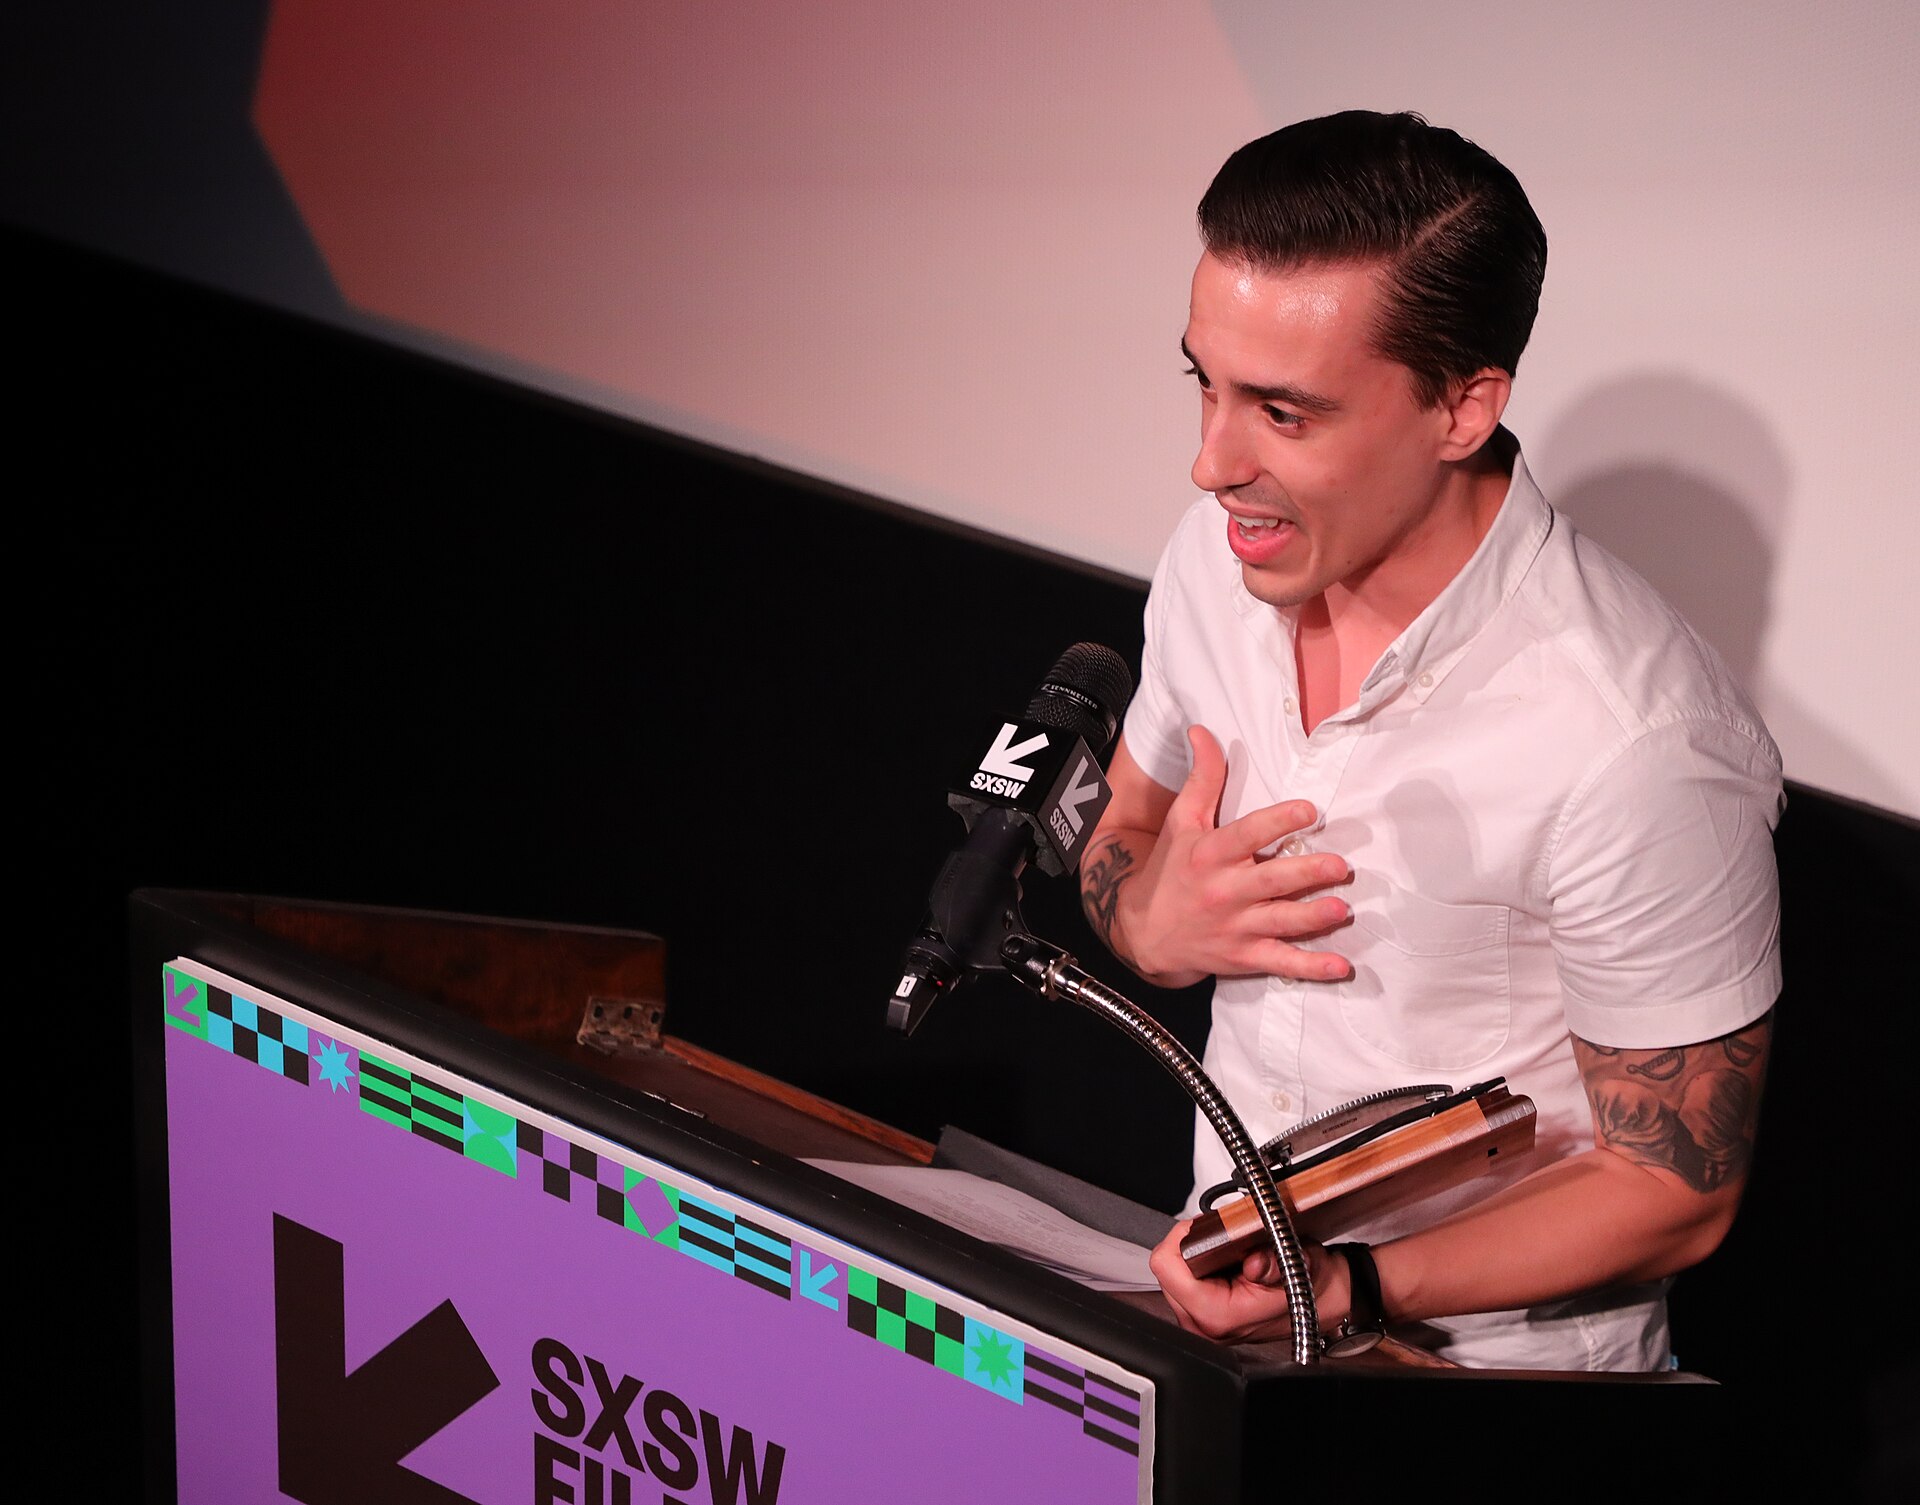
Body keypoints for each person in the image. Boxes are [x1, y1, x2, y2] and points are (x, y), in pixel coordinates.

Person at [1078, 110, 1782, 1371]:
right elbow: (1127, 830)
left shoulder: (1638, 737)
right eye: (1206, 382)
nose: (1209, 463)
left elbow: (1679, 1187)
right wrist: (1145, 922)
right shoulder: (1214, 562)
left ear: (1462, 407)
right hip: (1246, 1345)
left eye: (1283, 413)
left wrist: (1347, 1283)